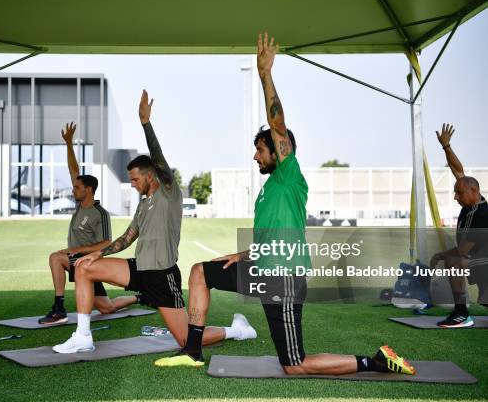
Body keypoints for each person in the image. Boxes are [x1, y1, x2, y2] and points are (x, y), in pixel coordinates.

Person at [154, 33, 416, 376]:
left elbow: (277, 122)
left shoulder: (289, 174)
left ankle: (376, 361)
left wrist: (265, 75)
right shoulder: (269, 189)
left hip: (284, 280)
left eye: (260, 150)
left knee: (295, 365)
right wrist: (243, 255)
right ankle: (193, 351)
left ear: (279, 151)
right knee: (201, 272)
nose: (255, 155)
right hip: (264, 270)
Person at [52, 91, 256, 353]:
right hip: (139, 269)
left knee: (186, 340)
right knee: (83, 268)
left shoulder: (168, 192)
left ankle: (237, 330)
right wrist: (97, 254)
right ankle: (82, 337)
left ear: (151, 176)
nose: (132, 184)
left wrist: (146, 124)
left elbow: (158, 158)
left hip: (162, 275)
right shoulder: (143, 203)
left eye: (136, 179)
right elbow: (127, 237)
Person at [39, 122, 138, 325]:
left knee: (56, 258)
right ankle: (140, 297)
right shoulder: (79, 206)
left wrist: (76, 249)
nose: (73, 189)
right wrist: (68, 144)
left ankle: (59, 309)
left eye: (77, 187)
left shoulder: (99, 213)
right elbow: (73, 169)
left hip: (89, 260)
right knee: (106, 307)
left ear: (89, 190)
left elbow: (106, 243)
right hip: (77, 259)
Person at [430, 123, 488, 327]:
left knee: (455, 261)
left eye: (459, 193)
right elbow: (458, 170)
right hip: (482, 260)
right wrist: (446, 147)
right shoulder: (471, 200)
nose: (455, 196)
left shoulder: (481, 215)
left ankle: (461, 314)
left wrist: (439, 255)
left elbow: (463, 252)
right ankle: (461, 311)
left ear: (473, 190)